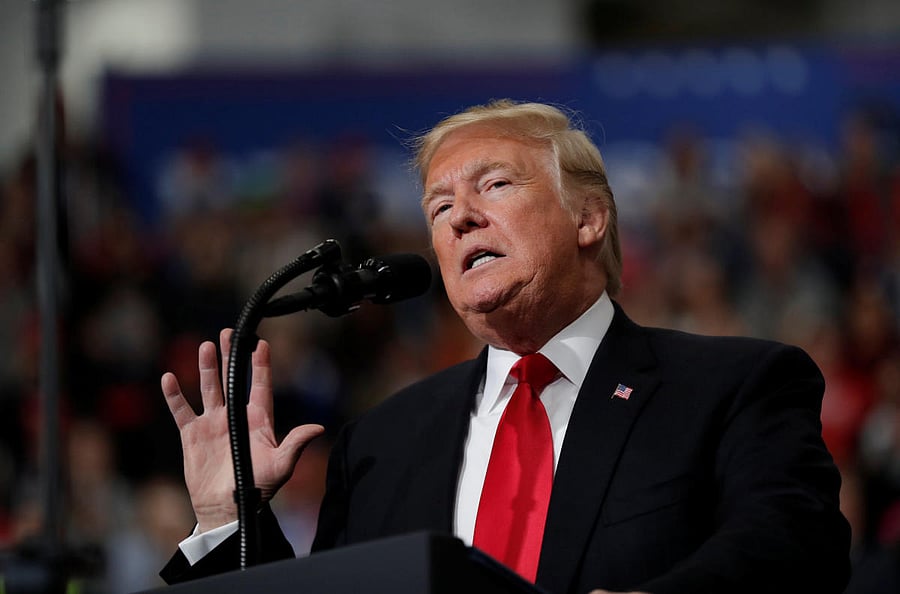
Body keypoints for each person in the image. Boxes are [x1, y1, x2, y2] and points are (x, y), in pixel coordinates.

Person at [158, 100, 851, 593]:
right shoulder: (384, 443)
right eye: (437, 206)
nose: (461, 215)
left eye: (494, 184)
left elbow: (797, 547)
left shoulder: (731, 387)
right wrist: (229, 523)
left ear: (588, 217)